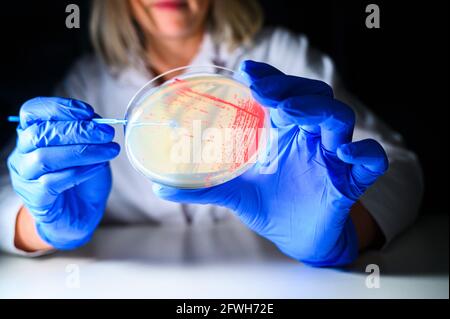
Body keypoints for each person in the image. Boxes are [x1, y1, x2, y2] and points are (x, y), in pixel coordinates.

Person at [0, 0, 423, 266]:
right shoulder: (88, 83)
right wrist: (41, 225)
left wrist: (345, 232)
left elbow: (398, 165)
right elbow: (8, 185)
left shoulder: (278, 55)